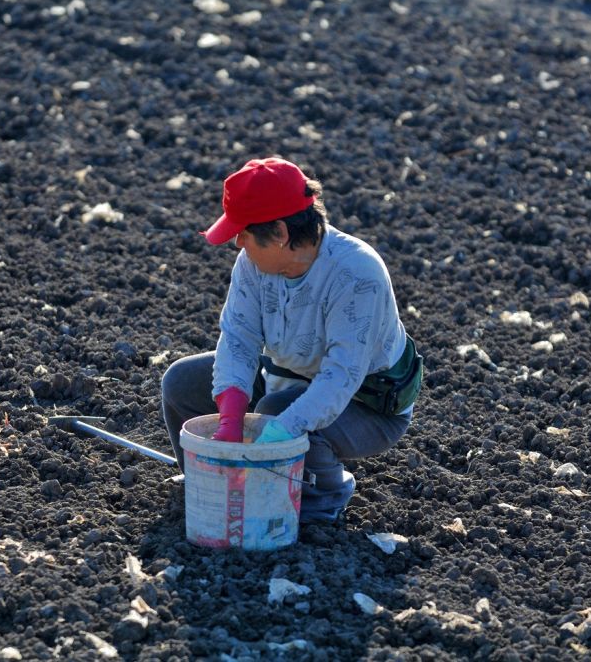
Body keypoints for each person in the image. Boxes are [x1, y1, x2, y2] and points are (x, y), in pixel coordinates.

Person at [161, 157, 422, 523]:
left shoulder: (358, 275)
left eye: (244, 232)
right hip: (287, 376)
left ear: (280, 233)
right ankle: (210, 480)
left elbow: (339, 378)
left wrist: (280, 432)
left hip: (366, 403)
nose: (237, 243)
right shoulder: (253, 264)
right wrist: (230, 418)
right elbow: (238, 338)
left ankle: (325, 498)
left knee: (276, 413)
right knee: (181, 382)